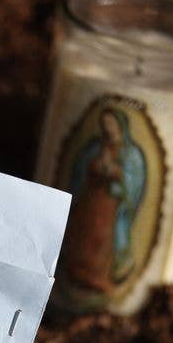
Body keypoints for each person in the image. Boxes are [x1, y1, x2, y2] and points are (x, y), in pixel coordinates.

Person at [64, 107, 147, 293]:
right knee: (85, 233)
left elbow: (133, 180)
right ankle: (78, 273)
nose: (108, 127)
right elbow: (81, 168)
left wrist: (116, 172)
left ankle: (98, 276)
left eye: (111, 123)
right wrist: (95, 166)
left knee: (102, 238)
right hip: (91, 199)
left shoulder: (130, 153)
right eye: (105, 123)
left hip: (110, 205)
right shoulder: (96, 147)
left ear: (120, 125)